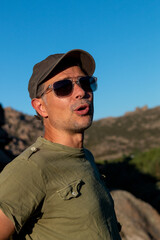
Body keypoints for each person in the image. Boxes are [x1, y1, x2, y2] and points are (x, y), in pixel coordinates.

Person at [0, 49, 121, 239]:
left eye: (86, 82)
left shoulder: (85, 157)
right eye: (63, 87)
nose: (81, 92)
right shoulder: (31, 168)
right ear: (41, 107)